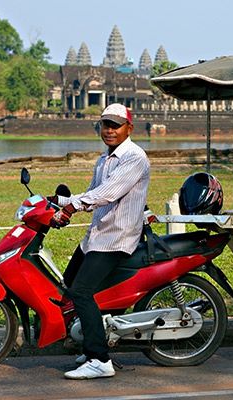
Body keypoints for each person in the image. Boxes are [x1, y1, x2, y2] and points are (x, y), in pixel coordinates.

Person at [50, 103, 150, 379]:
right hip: (97, 236)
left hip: (117, 238)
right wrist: (58, 201)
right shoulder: (104, 159)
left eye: (116, 125)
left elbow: (107, 193)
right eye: (105, 124)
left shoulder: (134, 157)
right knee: (69, 286)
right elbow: (93, 193)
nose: (109, 130)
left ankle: (99, 359)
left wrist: (72, 207)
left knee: (81, 291)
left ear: (129, 128)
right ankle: (90, 339)